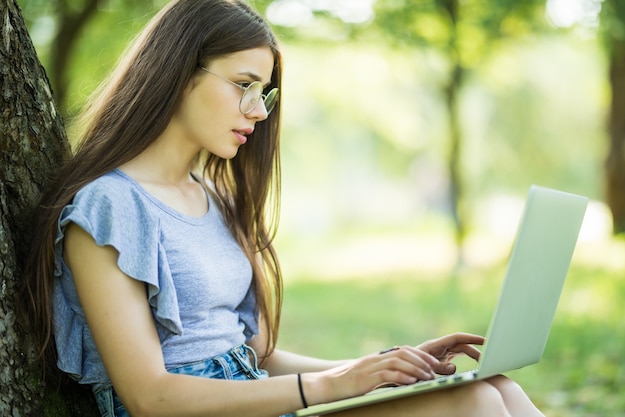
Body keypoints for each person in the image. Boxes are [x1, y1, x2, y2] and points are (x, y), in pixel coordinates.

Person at [20, 1, 546, 416]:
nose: (256, 111)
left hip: (261, 404)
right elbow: (151, 398)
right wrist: (330, 385)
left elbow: (259, 358)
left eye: (264, 94)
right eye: (243, 86)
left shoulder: (216, 199)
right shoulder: (109, 206)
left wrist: (383, 367)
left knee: (492, 386)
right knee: (473, 403)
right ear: (178, 71)